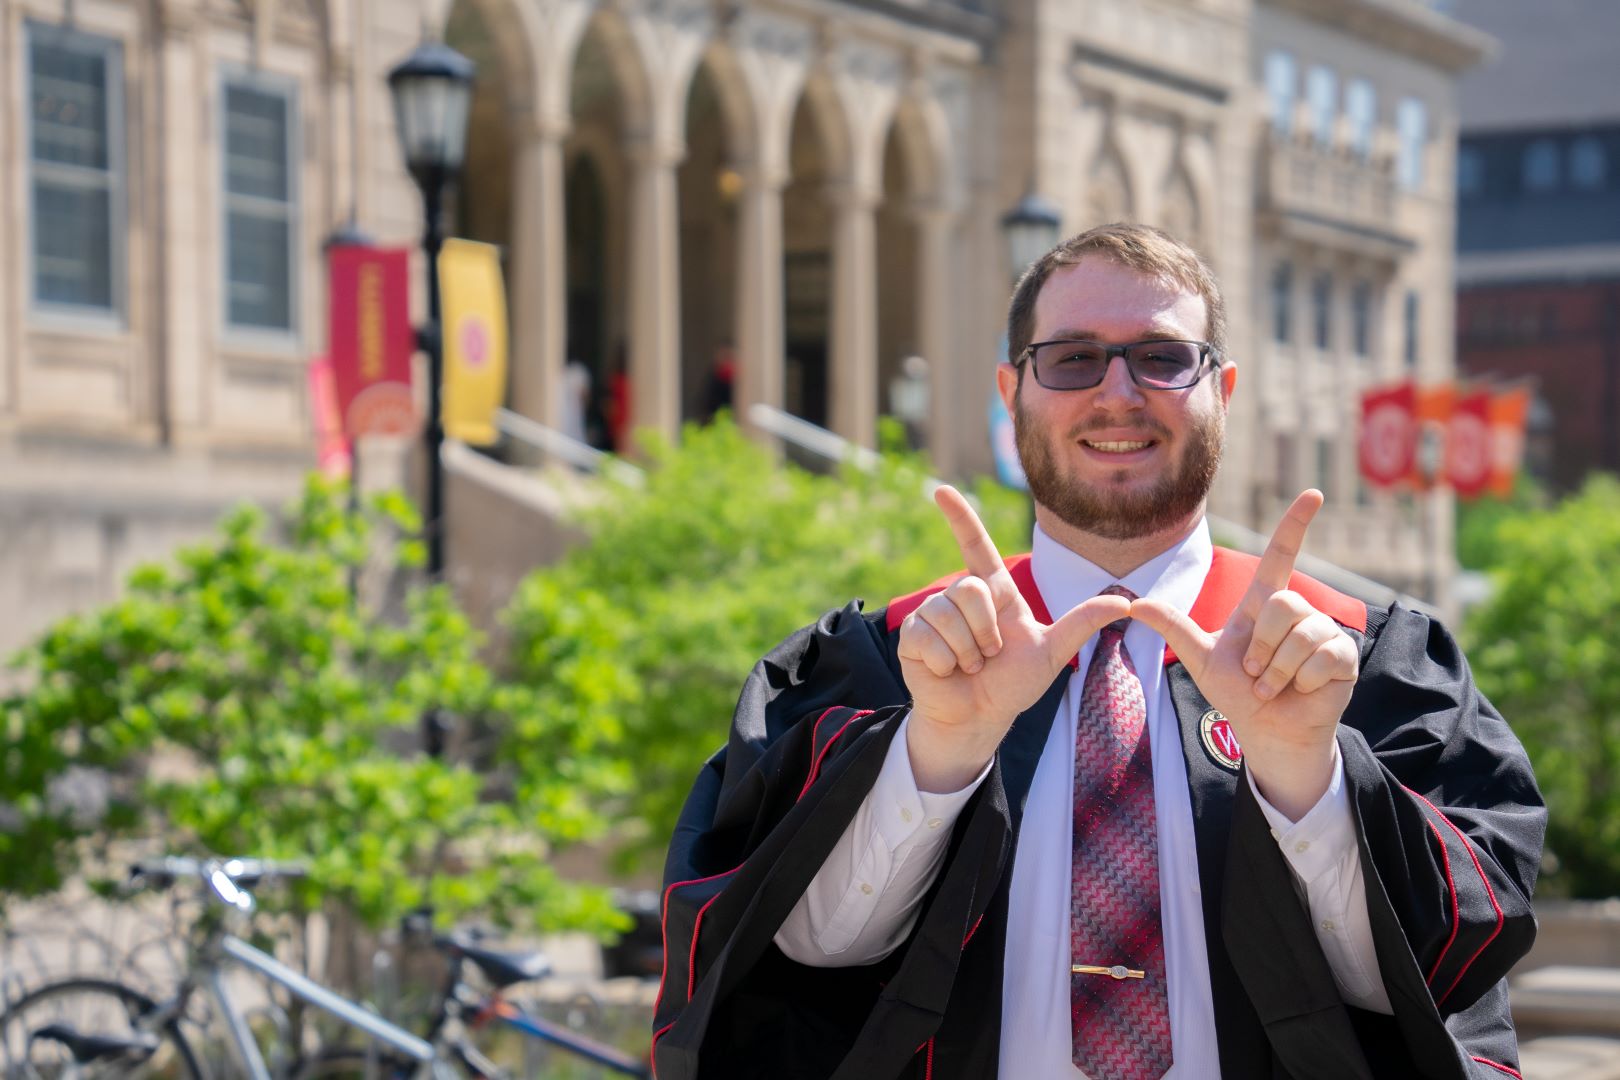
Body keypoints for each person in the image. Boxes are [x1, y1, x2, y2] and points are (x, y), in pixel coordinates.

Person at [653, 224, 1544, 1080]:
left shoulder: (1358, 664)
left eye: (1161, 357)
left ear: (1222, 391)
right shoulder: (893, 664)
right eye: (1073, 358)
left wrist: (1307, 779)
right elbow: (810, 953)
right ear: (1012, 393)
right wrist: (936, 757)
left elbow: (1419, 992)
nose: (1118, 394)